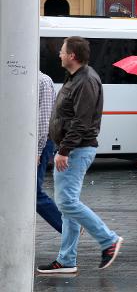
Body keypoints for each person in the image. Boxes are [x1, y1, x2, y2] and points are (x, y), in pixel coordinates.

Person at [37, 36, 123, 274]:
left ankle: (108, 240)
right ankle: (66, 259)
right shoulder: (77, 77)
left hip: (75, 149)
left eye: (63, 51)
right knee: (67, 206)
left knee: (67, 202)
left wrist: (64, 150)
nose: (59, 55)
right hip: (71, 148)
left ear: (72, 56)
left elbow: (82, 122)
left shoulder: (85, 80)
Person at [37, 70, 62, 233]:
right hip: (32, 143)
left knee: (33, 193)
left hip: (41, 143)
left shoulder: (43, 81)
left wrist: (38, 150)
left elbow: (44, 121)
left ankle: (68, 227)